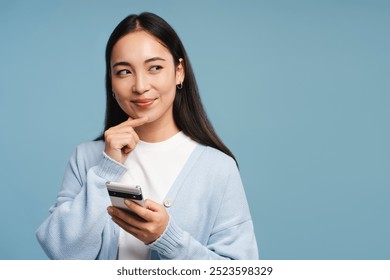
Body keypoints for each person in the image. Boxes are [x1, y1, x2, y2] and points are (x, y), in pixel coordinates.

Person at [36, 12, 258, 260]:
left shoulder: (218, 169)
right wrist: (106, 171)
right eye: (123, 72)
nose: (140, 86)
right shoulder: (86, 157)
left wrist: (167, 238)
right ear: (111, 80)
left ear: (179, 71)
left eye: (155, 67)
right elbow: (62, 253)